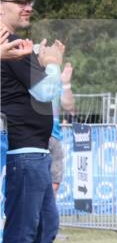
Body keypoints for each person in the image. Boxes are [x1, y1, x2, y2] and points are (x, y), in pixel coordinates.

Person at [0, 0, 65, 243]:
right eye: (20, 1)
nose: (29, 7)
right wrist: (53, 62)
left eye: (31, 2)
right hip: (24, 152)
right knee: (23, 231)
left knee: (45, 227)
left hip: (35, 151)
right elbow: (46, 93)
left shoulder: (17, 45)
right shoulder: (9, 45)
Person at [50, 62, 75, 195]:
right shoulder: (29, 79)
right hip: (34, 138)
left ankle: (47, 214)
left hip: (54, 138)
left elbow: (69, 106)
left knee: (54, 185)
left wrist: (66, 84)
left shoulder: (57, 84)